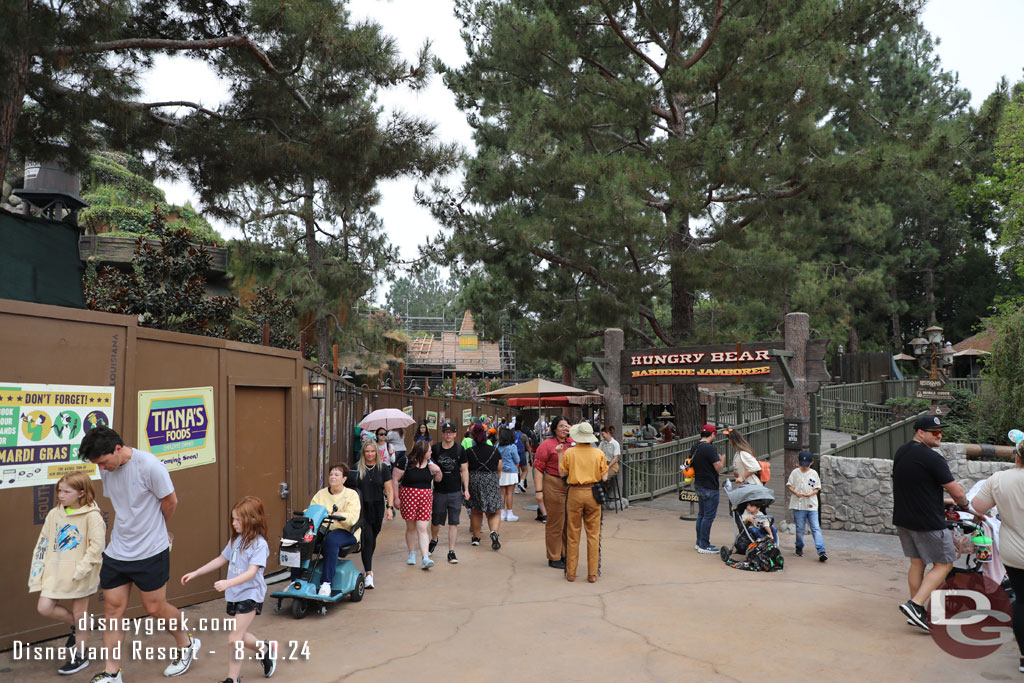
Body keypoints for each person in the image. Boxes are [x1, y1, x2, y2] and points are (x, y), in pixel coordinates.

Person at [78, 426, 199, 683]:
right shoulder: (107, 469)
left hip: (151, 551)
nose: (101, 468)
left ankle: (187, 644)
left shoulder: (150, 466)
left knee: (154, 607)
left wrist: (159, 530)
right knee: (112, 610)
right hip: (119, 550)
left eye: (103, 461)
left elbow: (171, 501)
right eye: (97, 464)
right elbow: (126, 505)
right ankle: (112, 673)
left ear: (118, 449)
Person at [181, 496, 277, 683]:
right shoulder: (236, 540)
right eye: (233, 519)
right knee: (239, 636)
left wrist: (227, 583)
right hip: (234, 595)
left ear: (252, 519)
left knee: (234, 638)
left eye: (238, 519)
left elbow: (251, 573)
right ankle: (264, 649)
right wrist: (196, 572)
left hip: (250, 594)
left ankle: (232, 679)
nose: (233, 523)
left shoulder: (260, 545)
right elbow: (221, 559)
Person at [892, 415, 969, 632]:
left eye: (940, 431)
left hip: (903, 519)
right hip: (927, 522)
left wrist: (942, 501)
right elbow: (957, 491)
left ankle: (915, 612)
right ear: (920, 433)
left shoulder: (902, 452)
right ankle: (915, 605)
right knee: (944, 564)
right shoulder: (932, 458)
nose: (939, 435)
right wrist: (963, 504)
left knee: (917, 564)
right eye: (934, 432)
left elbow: (915, 486)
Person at [29, 471, 105, 675]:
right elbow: (43, 543)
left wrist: (81, 570)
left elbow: (96, 548)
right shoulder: (55, 514)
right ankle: (79, 625)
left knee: (80, 614)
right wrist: (38, 572)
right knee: (45, 607)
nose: (60, 495)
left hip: (80, 576)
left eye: (66, 491)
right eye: (59, 491)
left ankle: (80, 656)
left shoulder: (92, 517)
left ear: (81, 493)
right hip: (55, 574)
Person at [970, 438, 1024, 674]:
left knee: (1022, 603)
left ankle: (1023, 658)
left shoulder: (999, 479)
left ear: (1017, 456)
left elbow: (977, 507)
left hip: (1014, 553)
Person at [300, 463, 361, 596]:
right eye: (331, 474)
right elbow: (312, 510)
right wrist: (307, 513)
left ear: (344, 479)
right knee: (304, 539)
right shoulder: (321, 494)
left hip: (346, 531)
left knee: (331, 541)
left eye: (337, 475)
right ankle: (297, 580)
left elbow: (353, 517)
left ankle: (326, 583)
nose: (333, 477)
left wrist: (341, 516)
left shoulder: (352, 495)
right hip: (323, 529)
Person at [559, 423, 609, 583]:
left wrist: (559, 454)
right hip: (592, 493)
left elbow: (562, 473)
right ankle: (592, 573)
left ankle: (571, 573)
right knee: (593, 534)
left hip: (574, 493)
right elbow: (605, 477)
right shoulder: (599, 453)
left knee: (573, 533)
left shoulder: (569, 453)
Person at [348, 441, 395, 589]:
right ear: (363, 453)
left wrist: (390, 507)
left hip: (377, 506)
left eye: (372, 451)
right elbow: (350, 490)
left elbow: (389, 489)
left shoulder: (383, 468)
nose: (370, 454)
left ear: (376, 453)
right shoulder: (356, 468)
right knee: (367, 539)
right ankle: (369, 574)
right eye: (367, 451)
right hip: (362, 509)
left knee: (373, 537)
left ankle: (367, 563)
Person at [534, 416, 576, 568]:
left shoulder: (574, 443)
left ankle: (565, 553)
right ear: (554, 429)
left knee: (569, 522)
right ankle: (554, 556)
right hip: (553, 483)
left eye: (567, 425)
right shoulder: (547, 445)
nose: (565, 428)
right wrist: (539, 491)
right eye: (561, 426)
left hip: (571, 485)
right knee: (555, 522)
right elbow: (538, 468)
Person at [393, 441, 442, 570]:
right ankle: (412, 553)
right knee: (411, 527)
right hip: (408, 496)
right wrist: (396, 498)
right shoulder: (406, 461)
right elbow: (395, 479)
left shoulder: (430, 463)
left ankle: (425, 557)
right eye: (429, 451)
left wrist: (437, 470)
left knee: (422, 527)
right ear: (422, 451)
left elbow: (438, 479)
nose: (431, 453)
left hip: (425, 497)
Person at [428, 421, 470, 564]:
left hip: (455, 492)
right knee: (436, 521)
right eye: (446, 432)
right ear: (442, 434)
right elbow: (428, 466)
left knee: (454, 522)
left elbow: (464, 470)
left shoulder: (460, 450)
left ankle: (451, 551)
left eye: (451, 432)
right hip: (439, 491)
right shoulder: (435, 449)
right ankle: (434, 539)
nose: (448, 435)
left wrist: (466, 489)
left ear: (455, 434)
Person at [466, 423, 504, 550]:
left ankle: (476, 538)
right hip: (491, 479)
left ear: (472, 437)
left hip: (474, 480)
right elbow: (499, 468)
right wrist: (494, 480)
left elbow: (464, 469)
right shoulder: (495, 450)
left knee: (476, 511)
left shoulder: (469, 452)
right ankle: (493, 531)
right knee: (494, 511)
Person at [787, 450, 827, 561]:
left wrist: (810, 494)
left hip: (811, 505)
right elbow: (789, 485)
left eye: (806, 465)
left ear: (811, 463)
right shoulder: (795, 472)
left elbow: (817, 488)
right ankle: (799, 546)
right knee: (800, 528)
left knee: (815, 527)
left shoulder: (814, 473)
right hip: (799, 505)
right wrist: (795, 493)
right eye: (802, 465)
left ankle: (821, 550)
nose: (804, 467)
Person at [691, 424, 723, 554]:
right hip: (710, 485)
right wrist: (722, 460)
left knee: (701, 515)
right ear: (712, 434)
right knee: (708, 517)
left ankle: (699, 542)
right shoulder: (710, 449)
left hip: (699, 483)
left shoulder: (695, 447)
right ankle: (704, 544)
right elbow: (718, 467)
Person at [497, 427, 521, 521]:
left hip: (500, 471)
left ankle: (502, 513)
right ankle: (510, 514)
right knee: (510, 493)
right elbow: (517, 460)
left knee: (502, 493)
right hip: (511, 471)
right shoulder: (512, 447)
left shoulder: (497, 446)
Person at [513, 423, 530, 493]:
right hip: (522, 454)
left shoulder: (512, 435)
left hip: (514, 454)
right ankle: (522, 482)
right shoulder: (524, 435)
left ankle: (516, 488)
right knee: (525, 470)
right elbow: (528, 446)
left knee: (517, 471)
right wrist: (530, 455)